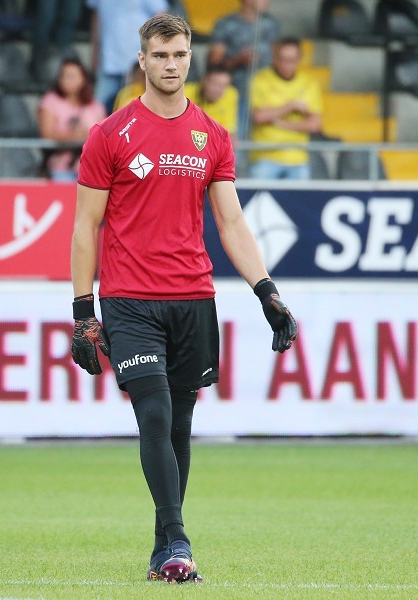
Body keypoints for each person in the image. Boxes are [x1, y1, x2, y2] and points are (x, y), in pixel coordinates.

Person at [70, 13, 298, 584]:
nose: (171, 65)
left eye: (179, 55)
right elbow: (85, 226)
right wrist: (82, 313)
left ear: (190, 58)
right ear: (142, 60)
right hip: (129, 299)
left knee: (178, 426)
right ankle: (177, 539)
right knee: (152, 413)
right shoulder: (110, 134)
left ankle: (162, 545)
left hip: (193, 296)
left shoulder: (213, 136)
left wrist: (267, 293)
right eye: (160, 56)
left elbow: (232, 221)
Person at [248, 37, 321, 180]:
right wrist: (291, 106)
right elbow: (259, 116)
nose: (285, 64)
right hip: (265, 157)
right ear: (274, 58)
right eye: (281, 59)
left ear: (299, 59)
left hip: (298, 158)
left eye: (291, 60)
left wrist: (279, 122)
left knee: (298, 203)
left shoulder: (309, 83)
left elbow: (315, 124)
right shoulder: (260, 80)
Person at [207, 0, 279, 139]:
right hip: (236, 93)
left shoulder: (272, 24)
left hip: (266, 95)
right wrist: (238, 59)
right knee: (236, 141)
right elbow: (214, 62)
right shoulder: (226, 24)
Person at [87, 0, 167, 113]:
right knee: (97, 114)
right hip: (108, 62)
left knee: (138, 114)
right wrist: (94, 57)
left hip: (138, 64)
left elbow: (160, 19)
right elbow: (97, 20)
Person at [38, 58, 106, 181]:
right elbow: (47, 133)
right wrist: (76, 137)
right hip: (60, 167)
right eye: (64, 76)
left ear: (83, 79)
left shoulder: (94, 105)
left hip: (89, 168)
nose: (66, 80)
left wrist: (86, 135)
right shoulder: (50, 101)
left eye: (72, 76)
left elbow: (104, 135)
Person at [184, 64, 239, 141]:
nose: (218, 90)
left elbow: (229, 133)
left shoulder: (230, 94)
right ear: (203, 80)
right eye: (215, 84)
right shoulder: (185, 92)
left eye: (224, 85)